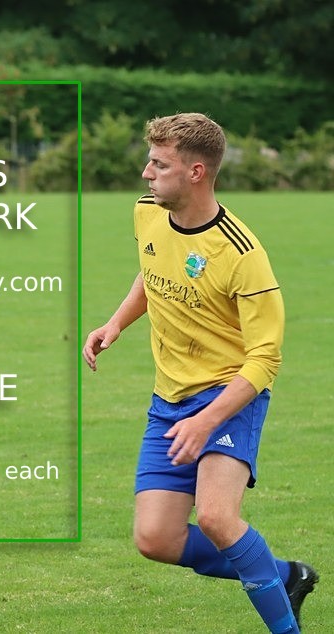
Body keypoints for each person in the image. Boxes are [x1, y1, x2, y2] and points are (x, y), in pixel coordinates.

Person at [83, 113, 317, 633]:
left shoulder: (242, 254)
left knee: (215, 517)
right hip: (169, 400)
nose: (146, 173)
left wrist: (206, 420)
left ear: (196, 172)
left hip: (230, 395)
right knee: (155, 539)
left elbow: (265, 360)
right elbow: (152, 270)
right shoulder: (147, 212)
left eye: (159, 164)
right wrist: (116, 322)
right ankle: (285, 576)